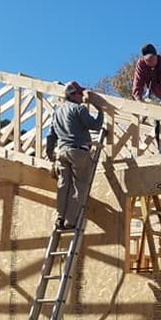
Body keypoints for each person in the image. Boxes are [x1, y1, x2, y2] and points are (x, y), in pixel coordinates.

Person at [45, 80, 104, 230]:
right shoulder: (79, 109)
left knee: (63, 186)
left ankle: (60, 218)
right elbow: (95, 126)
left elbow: (51, 136)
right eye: (79, 93)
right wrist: (100, 111)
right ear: (73, 95)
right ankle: (70, 221)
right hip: (78, 152)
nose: (81, 97)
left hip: (62, 153)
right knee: (80, 186)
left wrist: (50, 155)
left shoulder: (57, 112)